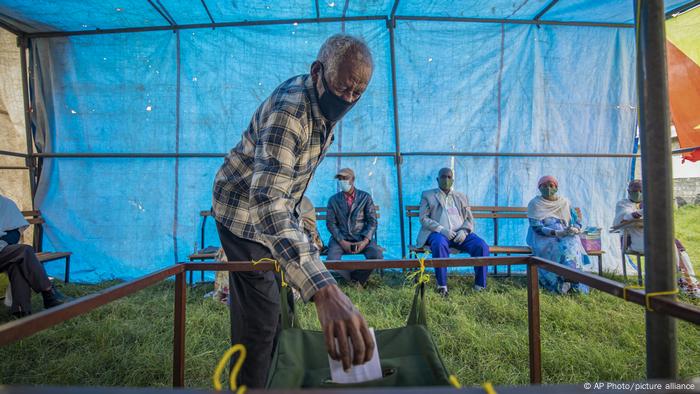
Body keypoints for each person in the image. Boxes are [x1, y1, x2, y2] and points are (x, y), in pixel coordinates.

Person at [212, 34, 375, 387]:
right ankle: (250, 385)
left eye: (357, 94)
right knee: (262, 313)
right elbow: (267, 204)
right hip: (242, 212)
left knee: (283, 298)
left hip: (279, 206)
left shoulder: (321, 102)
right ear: (317, 71)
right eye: (343, 89)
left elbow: (287, 188)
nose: (348, 100)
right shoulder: (290, 113)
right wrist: (325, 291)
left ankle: (278, 374)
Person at [614, 179, 700, 298]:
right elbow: (623, 219)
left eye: (640, 190)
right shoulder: (623, 204)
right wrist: (643, 211)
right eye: (634, 191)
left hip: (650, 236)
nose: (638, 193)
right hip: (633, 240)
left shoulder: (648, 203)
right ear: (628, 191)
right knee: (669, 245)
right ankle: (680, 283)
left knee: (678, 248)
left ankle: (690, 281)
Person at [416, 168, 490, 297]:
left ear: (453, 180)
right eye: (443, 177)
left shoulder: (461, 196)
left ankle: (480, 286)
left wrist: (464, 231)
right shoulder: (428, 195)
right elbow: (423, 218)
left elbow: (469, 218)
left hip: (460, 234)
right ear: (437, 179)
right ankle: (442, 286)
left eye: (449, 177)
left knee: (481, 246)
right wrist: (442, 230)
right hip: (439, 233)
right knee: (439, 244)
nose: (446, 180)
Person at [0, 194, 65, 318]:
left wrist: (2, 241)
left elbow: (14, 235)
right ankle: (48, 293)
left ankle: (22, 311)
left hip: (2, 250)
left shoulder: (6, 204)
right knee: (24, 251)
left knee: (16, 263)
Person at [526, 176, 589, 295]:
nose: (548, 188)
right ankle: (558, 283)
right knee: (558, 246)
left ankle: (572, 280)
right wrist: (555, 233)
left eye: (551, 185)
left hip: (565, 234)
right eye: (544, 186)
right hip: (543, 237)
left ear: (556, 187)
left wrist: (575, 228)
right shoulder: (535, 203)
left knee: (572, 243)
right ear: (539, 188)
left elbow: (576, 220)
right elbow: (536, 227)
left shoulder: (564, 202)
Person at [325, 168, 383, 285]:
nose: (343, 181)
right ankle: (353, 280)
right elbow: (330, 223)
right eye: (340, 179)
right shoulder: (333, 200)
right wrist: (342, 241)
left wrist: (365, 241)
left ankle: (356, 279)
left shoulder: (365, 197)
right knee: (331, 259)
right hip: (340, 237)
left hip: (361, 237)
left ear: (353, 180)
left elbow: (372, 222)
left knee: (377, 255)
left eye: (346, 178)